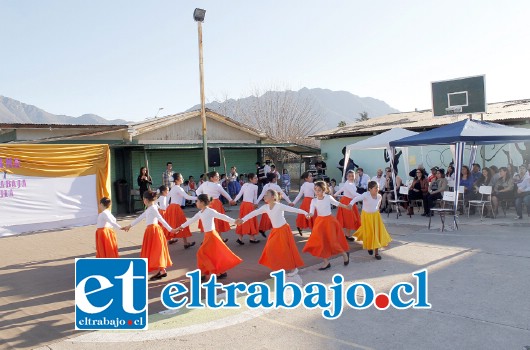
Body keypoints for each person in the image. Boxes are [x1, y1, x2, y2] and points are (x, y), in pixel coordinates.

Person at [236, 189, 309, 277]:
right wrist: (243, 220)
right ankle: (278, 267)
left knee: (286, 250)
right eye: (264, 195)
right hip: (275, 231)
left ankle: (294, 268)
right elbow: (254, 213)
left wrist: (305, 213)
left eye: (267, 195)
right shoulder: (265, 207)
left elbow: (293, 209)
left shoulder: (279, 206)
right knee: (270, 248)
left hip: (283, 230)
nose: (264, 196)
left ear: (273, 197)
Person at [175, 194, 242, 281]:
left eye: (197, 201)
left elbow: (222, 216)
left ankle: (207, 273)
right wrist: (180, 227)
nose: (196, 203)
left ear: (202, 202)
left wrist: (234, 221)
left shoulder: (210, 211)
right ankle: (218, 272)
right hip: (208, 236)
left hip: (211, 235)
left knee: (201, 253)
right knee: (211, 254)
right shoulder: (200, 213)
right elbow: (191, 221)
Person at [122, 191, 174, 281]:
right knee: (155, 250)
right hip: (152, 231)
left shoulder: (153, 208)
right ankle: (162, 270)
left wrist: (170, 229)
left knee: (155, 250)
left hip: (153, 231)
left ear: (145, 200)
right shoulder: (151, 208)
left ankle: (161, 269)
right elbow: (140, 217)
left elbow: (161, 219)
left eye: (143, 199)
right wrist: (129, 226)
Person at [303, 181, 350, 270]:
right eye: (316, 190)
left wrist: (346, 206)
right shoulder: (314, 200)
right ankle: (326, 262)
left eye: (319, 190)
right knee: (321, 242)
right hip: (320, 223)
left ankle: (344, 254)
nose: (317, 192)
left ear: (324, 190)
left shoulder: (328, 197)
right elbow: (312, 211)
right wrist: (310, 215)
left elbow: (337, 203)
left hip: (329, 222)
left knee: (333, 241)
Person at [349, 181, 392, 260]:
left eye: (378, 187)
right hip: (366, 217)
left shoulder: (379, 196)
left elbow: (378, 205)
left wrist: (377, 212)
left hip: (375, 216)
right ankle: (369, 247)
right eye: (375, 188)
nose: (377, 189)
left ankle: (376, 253)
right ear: (370, 189)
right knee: (369, 233)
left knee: (376, 233)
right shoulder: (366, 195)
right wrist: (351, 204)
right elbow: (356, 198)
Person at [196, 171, 236, 241]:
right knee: (218, 220)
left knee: (207, 221)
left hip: (207, 204)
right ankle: (219, 238)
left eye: (218, 176)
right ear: (211, 178)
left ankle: (208, 239)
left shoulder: (205, 184)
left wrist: (204, 198)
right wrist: (230, 200)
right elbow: (225, 193)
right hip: (216, 204)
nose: (218, 177)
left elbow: (197, 192)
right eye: (216, 176)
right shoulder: (217, 185)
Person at [256, 173, 294, 237]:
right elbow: (283, 194)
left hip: (268, 204)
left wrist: (256, 202)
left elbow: (262, 194)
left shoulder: (266, 186)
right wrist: (289, 202)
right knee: (276, 218)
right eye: (276, 177)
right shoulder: (276, 186)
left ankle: (264, 229)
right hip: (274, 204)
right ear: (274, 179)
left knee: (267, 218)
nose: (276, 179)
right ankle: (275, 232)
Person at [165, 173, 197, 248]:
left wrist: (167, 207)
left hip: (171, 207)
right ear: (176, 180)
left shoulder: (173, 188)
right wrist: (198, 198)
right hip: (176, 208)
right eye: (181, 178)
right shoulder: (178, 188)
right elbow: (187, 197)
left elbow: (167, 198)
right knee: (182, 224)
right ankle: (185, 243)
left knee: (172, 224)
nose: (182, 179)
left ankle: (170, 239)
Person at [334, 170, 361, 241]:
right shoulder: (348, 184)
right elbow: (353, 194)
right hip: (347, 202)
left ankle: (346, 234)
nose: (351, 177)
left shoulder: (351, 183)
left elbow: (342, 189)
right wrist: (364, 196)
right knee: (348, 219)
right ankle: (346, 235)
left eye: (352, 176)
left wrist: (335, 194)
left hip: (350, 201)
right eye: (349, 176)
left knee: (348, 219)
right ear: (347, 177)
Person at [233, 173, 260, 244]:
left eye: (256, 178)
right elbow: (255, 197)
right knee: (250, 220)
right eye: (255, 178)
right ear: (250, 179)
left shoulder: (244, 185)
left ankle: (240, 238)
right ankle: (252, 238)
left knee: (242, 219)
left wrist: (234, 200)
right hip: (249, 205)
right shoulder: (255, 187)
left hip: (243, 204)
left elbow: (239, 194)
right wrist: (256, 204)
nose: (256, 179)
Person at [292, 171, 316, 236]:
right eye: (310, 176)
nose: (312, 177)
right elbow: (317, 193)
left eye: (312, 175)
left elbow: (299, 195)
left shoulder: (303, 185)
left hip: (305, 202)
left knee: (304, 216)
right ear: (306, 178)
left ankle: (300, 227)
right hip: (311, 202)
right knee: (313, 217)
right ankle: (313, 233)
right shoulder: (312, 184)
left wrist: (293, 203)